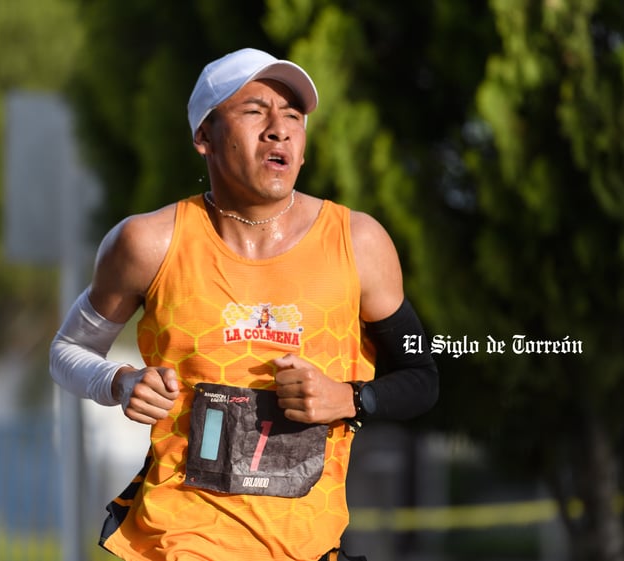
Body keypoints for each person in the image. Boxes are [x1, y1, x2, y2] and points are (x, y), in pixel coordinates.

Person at [49, 47, 438, 561]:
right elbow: (67, 351)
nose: (279, 129)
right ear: (204, 136)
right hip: (181, 540)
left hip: (310, 547)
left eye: (294, 116)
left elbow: (421, 378)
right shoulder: (148, 244)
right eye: (255, 111)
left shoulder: (359, 243)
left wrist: (349, 399)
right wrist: (119, 383)